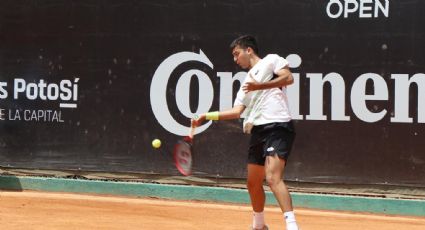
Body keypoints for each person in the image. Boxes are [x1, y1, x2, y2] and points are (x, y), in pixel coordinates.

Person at [191, 35, 299, 230]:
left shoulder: (271, 60)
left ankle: (292, 226)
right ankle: (259, 226)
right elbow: (236, 112)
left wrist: (261, 86)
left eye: (236, 53)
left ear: (249, 50)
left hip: (278, 126)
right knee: (252, 182)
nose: (235, 59)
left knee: (273, 178)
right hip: (258, 131)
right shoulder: (245, 85)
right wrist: (206, 116)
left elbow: (288, 78)